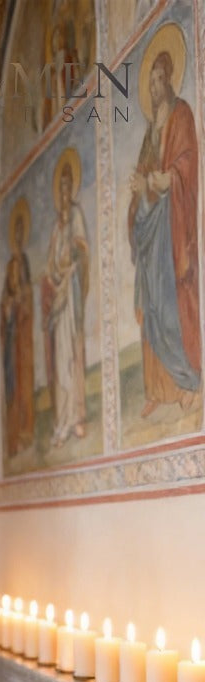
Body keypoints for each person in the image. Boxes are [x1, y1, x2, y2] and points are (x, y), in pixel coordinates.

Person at [128, 47, 200, 415]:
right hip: (150, 221)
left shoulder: (182, 113)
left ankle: (188, 381)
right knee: (152, 307)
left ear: (169, 79)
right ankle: (158, 388)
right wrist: (140, 190)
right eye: (151, 82)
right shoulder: (148, 131)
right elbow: (143, 173)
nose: (155, 87)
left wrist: (166, 178)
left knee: (172, 304)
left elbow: (187, 162)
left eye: (159, 79)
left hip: (171, 225)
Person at [40, 154, 89, 448]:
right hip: (59, 295)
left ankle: (76, 417)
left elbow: (82, 248)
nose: (66, 193)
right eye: (62, 188)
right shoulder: (57, 227)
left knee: (73, 355)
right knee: (61, 361)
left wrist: (73, 252)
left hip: (71, 293)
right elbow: (48, 265)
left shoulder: (77, 217)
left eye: (69, 187)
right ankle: (62, 421)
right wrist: (53, 274)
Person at [0, 201, 35, 456]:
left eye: (23, 233)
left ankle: (25, 430)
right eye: (17, 233)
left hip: (23, 337)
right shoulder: (10, 267)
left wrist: (22, 300)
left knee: (25, 382)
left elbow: (28, 294)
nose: (20, 238)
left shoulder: (24, 263)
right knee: (13, 385)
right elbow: (5, 300)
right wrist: (9, 305)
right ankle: (13, 435)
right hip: (12, 336)